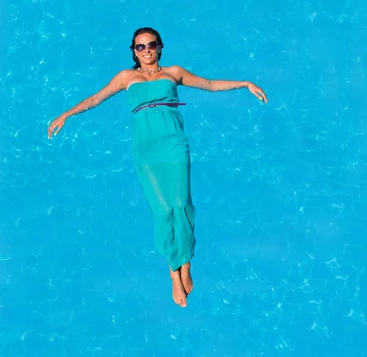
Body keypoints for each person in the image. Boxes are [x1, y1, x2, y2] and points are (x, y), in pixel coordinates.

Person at [48, 26, 268, 307]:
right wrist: (66, 114)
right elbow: (96, 98)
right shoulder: (127, 77)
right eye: (140, 47)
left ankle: (185, 263)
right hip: (146, 150)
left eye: (151, 44)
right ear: (134, 51)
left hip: (174, 145)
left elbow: (210, 84)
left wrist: (245, 83)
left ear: (160, 47)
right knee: (162, 210)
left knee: (181, 205)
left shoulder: (173, 72)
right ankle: (173, 273)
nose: (147, 50)